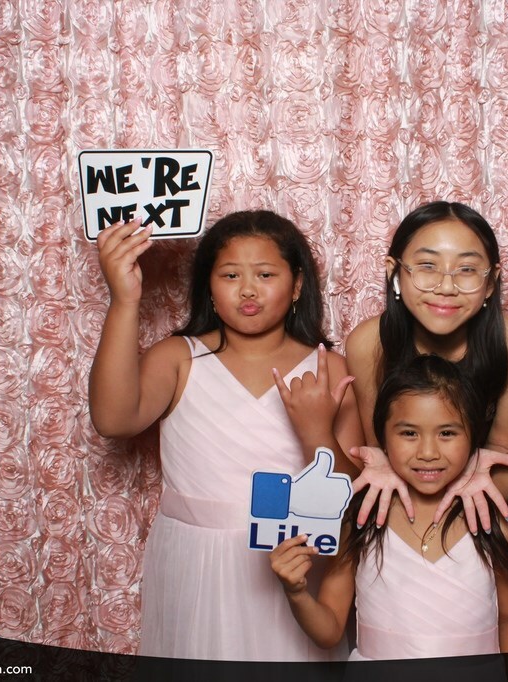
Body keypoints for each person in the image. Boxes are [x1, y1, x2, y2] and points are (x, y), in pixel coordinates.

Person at [88, 212, 362, 661]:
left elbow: (352, 493)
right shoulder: (179, 358)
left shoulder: (327, 368)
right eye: (231, 275)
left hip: (292, 556)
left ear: (297, 285)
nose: (248, 289)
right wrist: (124, 299)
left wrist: (316, 433)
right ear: (209, 288)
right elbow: (114, 420)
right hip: (196, 560)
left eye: (266, 275)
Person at [269, 355, 508, 660]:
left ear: (473, 437)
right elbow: (329, 630)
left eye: (447, 433)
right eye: (409, 433)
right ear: (382, 437)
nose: (428, 452)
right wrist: (296, 592)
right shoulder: (363, 517)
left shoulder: (497, 523)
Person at [344, 200, 508, 611]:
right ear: (394, 272)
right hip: (401, 508)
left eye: (467, 270)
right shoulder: (369, 343)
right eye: (427, 266)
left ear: (491, 283)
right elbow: (380, 451)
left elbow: (500, 454)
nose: (446, 286)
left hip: (482, 508)